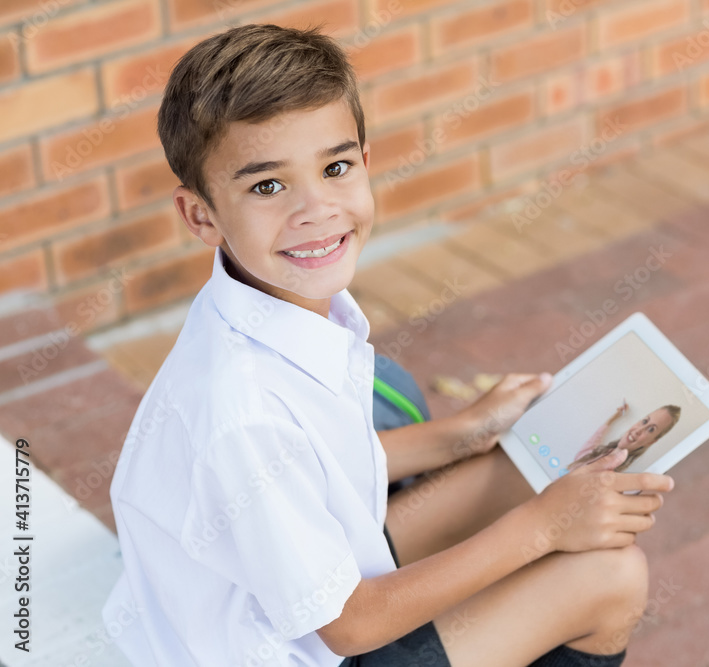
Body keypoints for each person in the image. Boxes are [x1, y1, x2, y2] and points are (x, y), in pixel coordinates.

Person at [101, 23, 675, 667]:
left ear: (365, 163)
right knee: (610, 577)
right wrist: (542, 530)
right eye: (268, 185)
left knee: (524, 464)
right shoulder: (240, 408)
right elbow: (345, 627)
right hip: (313, 644)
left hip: (302, 587)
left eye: (335, 167)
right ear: (201, 214)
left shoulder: (266, 305)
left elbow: (315, 463)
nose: (315, 208)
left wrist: (464, 431)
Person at [567, 402, 682, 474]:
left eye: (651, 429)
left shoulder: (611, 477)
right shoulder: (600, 453)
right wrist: (614, 417)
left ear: (651, 441)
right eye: (644, 421)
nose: (638, 431)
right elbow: (593, 441)